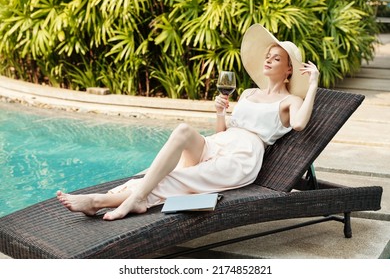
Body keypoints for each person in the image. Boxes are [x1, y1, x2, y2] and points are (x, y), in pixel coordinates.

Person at [57, 24, 319, 221]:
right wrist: (220, 114)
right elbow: (222, 132)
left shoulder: (290, 101)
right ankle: (128, 197)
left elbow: (298, 125)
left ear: (288, 70)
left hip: (243, 156)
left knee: (177, 177)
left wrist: (314, 83)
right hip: (220, 143)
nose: (268, 60)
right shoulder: (249, 93)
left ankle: (107, 200)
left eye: (276, 58)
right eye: (268, 55)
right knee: (183, 131)